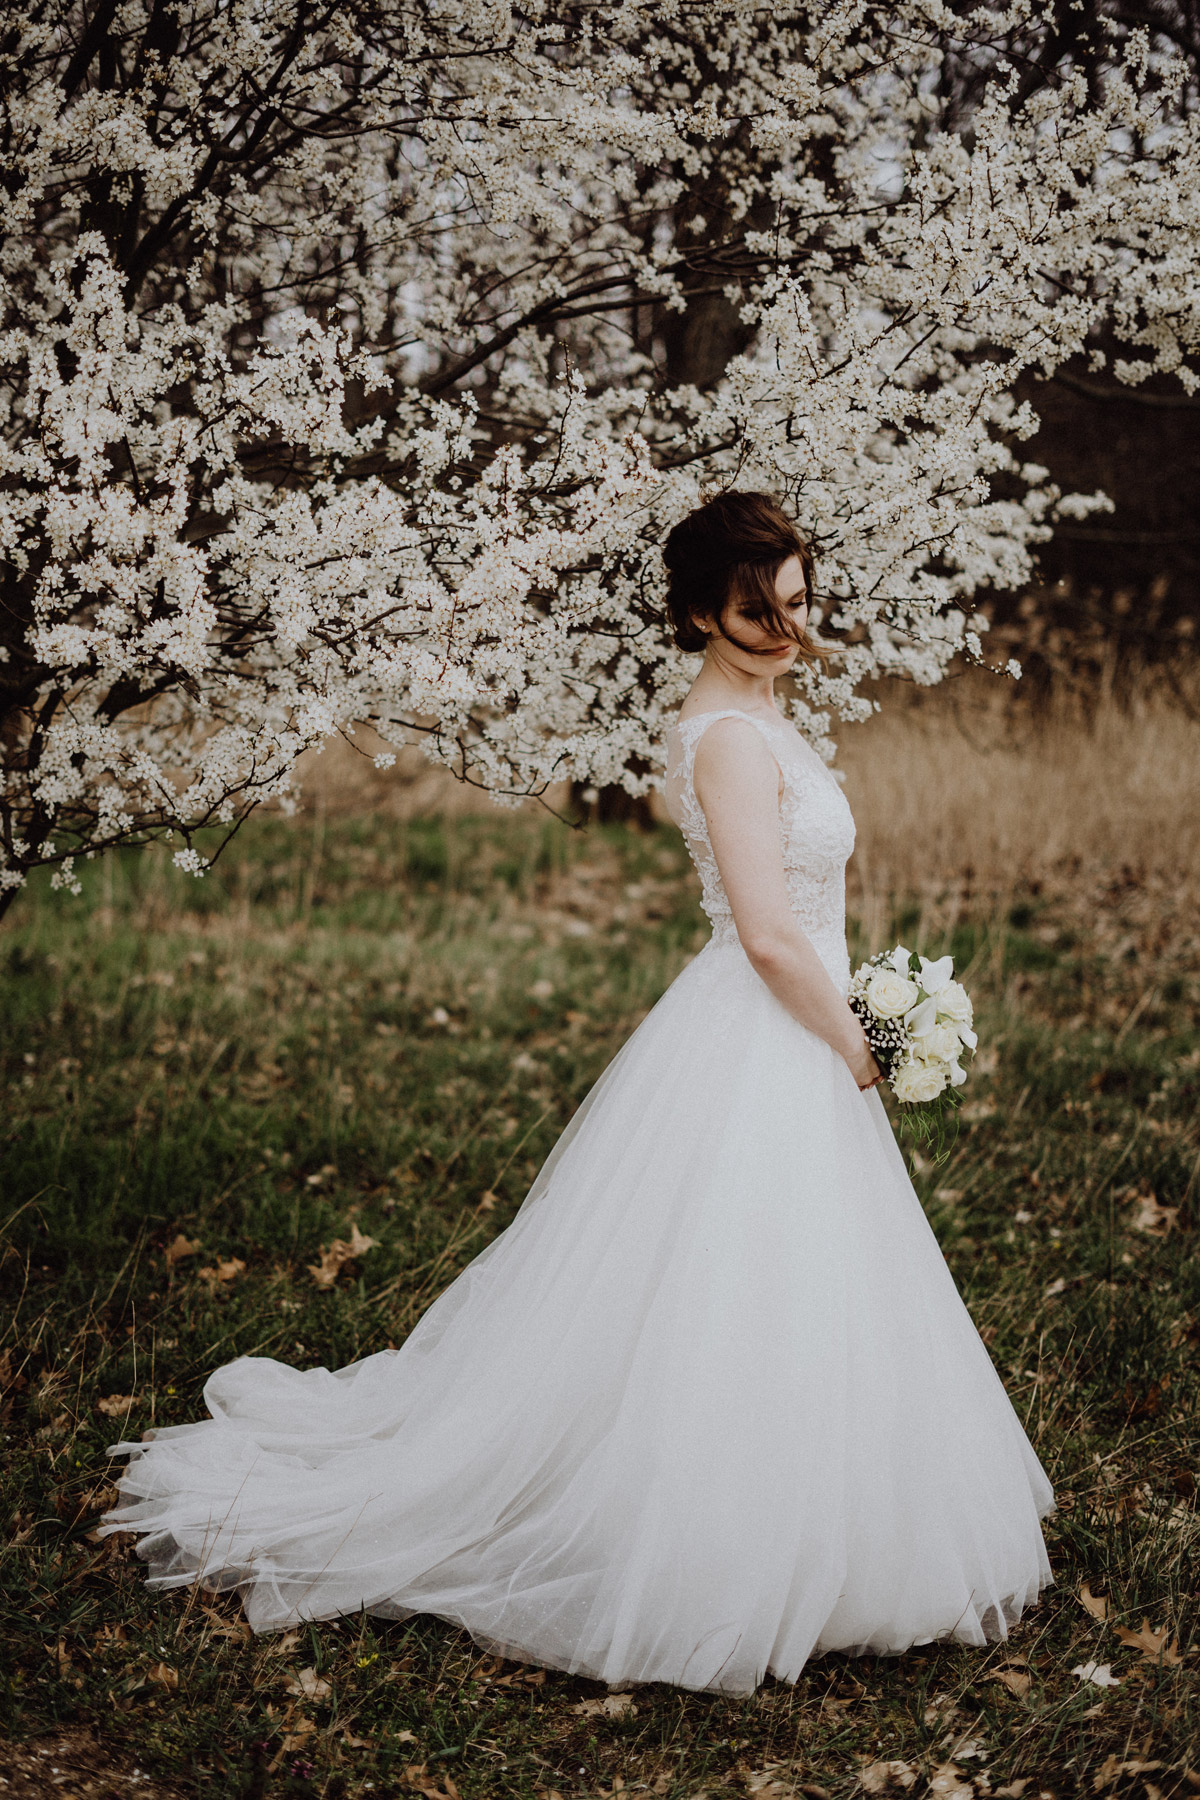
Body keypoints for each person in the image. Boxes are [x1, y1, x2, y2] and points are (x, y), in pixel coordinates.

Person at [102, 490, 1053, 1695]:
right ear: (700, 612)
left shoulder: (767, 714)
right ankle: (711, 1535)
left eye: (797, 603)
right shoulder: (723, 738)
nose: (783, 629)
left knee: (798, 1275)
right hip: (771, 1020)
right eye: (755, 611)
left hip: (800, 1018)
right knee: (733, 1278)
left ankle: (823, 1502)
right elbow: (765, 933)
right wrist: (856, 1038)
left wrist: (856, 1014)